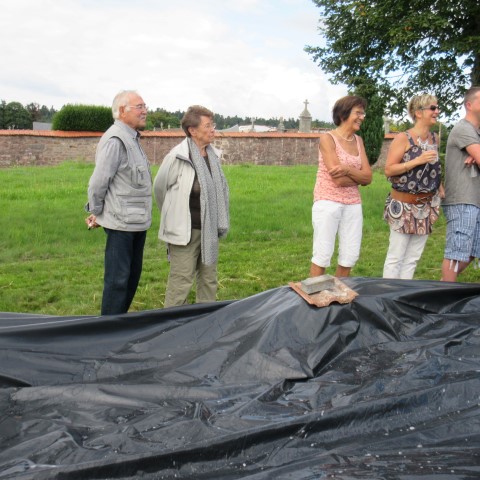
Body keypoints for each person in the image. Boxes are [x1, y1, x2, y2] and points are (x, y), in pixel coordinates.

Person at [154, 105, 229, 307]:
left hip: (209, 229)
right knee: (181, 283)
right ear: (193, 130)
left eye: (212, 124)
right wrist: (174, 216)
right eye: (208, 125)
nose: (213, 129)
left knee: (209, 280)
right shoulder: (177, 157)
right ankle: (173, 322)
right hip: (184, 232)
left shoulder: (213, 156)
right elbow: (160, 189)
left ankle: (205, 319)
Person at [85, 90, 152, 315]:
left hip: (137, 223)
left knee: (131, 278)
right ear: (122, 111)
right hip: (121, 225)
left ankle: (119, 325)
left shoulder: (132, 138)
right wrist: (97, 212)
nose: (145, 111)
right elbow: (98, 182)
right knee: (117, 282)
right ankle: (108, 330)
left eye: (145, 106)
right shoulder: (116, 140)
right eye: (139, 107)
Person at [310, 95, 372, 278]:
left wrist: (347, 169)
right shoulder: (327, 139)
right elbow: (338, 180)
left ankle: (340, 290)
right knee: (322, 254)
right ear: (344, 114)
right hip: (327, 202)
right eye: (358, 113)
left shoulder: (358, 141)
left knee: (349, 255)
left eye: (363, 113)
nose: (362, 117)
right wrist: (359, 177)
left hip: (353, 203)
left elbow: (369, 177)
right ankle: (315, 292)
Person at [382, 94, 444, 279]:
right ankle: (389, 294)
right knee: (396, 258)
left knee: (412, 259)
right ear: (418, 112)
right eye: (432, 108)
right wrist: (417, 160)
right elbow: (389, 169)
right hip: (403, 205)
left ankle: (404, 293)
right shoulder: (404, 138)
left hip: (426, 206)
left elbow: (434, 169)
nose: (437, 111)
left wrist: (440, 186)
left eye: (437, 108)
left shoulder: (435, 138)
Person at [441, 86, 480, 282]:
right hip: (461, 199)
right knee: (456, 252)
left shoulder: (476, 132)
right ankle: (445, 294)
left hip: (474, 199)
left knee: (473, 251)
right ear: (469, 105)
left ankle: (443, 287)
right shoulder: (464, 128)